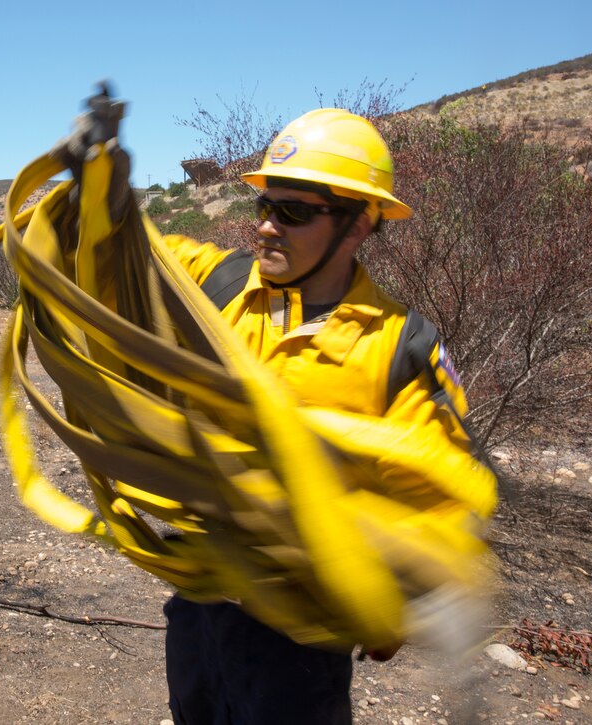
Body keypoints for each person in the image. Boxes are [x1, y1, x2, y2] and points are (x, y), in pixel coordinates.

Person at [157, 108, 481, 724]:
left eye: (295, 212)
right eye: (266, 207)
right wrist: (89, 201)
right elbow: (135, 255)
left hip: (300, 640)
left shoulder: (400, 346)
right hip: (201, 602)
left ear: (358, 224)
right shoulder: (225, 286)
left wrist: (395, 601)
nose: (268, 228)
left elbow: (441, 490)